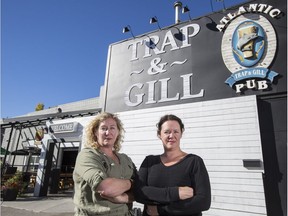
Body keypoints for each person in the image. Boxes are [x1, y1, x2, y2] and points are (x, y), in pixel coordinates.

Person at [135, 114, 211, 216]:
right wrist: (176, 193)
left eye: (176, 131)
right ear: (159, 134)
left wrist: (161, 210)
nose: (171, 136)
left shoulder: (194, 162)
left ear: (181, 133)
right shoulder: (149, 162)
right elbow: (139, 192)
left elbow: (203, 201)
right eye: (167, 132)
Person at [73, 112, 136, 216]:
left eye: (112, 128)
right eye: (103, 128)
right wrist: (131, 183)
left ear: (118, 132)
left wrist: (124, 198)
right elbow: (106, 188)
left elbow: (142, 188)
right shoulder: (87, 155)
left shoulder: (126, 159)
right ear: (95, 132)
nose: (108, 132)